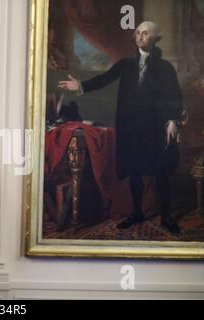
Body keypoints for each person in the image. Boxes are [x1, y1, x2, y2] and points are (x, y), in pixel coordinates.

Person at [58, 21, 182, 234]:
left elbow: (174, 96)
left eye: (145, 33)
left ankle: (167, 216)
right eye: (138, 33)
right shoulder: (126, 65)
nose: (140, 36)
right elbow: (104, 79)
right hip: (132, 129)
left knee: (161, 172)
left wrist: (172, 121)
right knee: (134, 172)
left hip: (155, 130)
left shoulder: (165, 68)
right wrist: (80, 86)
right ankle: (137, 212)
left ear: (155, 38)